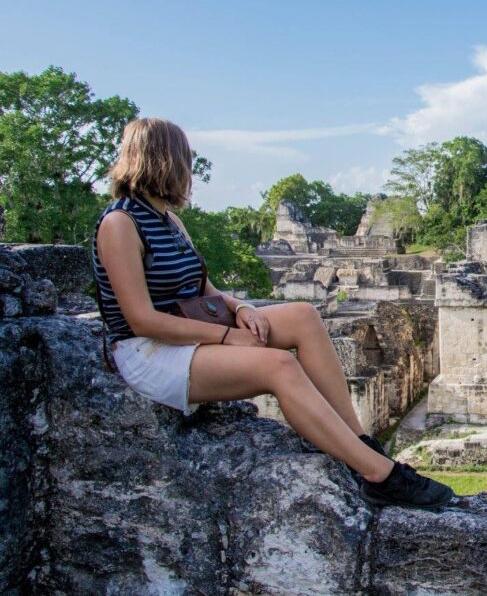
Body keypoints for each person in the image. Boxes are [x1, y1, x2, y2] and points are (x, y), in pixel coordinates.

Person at [91, 118, 452, 510]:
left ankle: (359, 442)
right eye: (186, 159)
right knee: (277, 366)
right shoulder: (120, 224)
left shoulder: (169, 221)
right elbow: (141, 319)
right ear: (166, 161)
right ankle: (379, 476)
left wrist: (242, 308)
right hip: (149, 352)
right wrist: (229, 337)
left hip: (190, 332)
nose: (190, 170)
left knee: (303, 316)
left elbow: (204, 290)